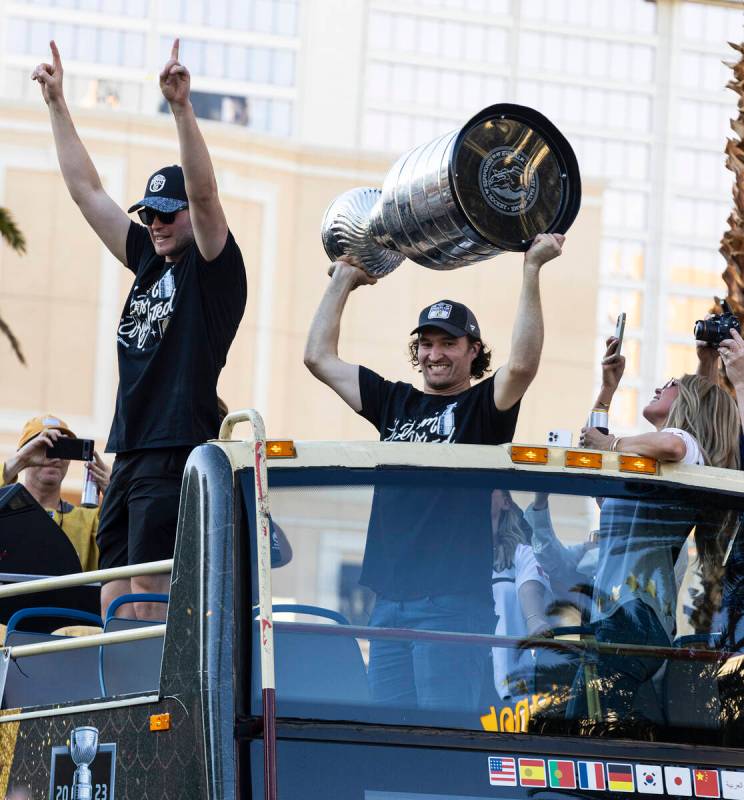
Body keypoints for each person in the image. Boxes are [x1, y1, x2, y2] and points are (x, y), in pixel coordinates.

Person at [304, 233, 564, 715]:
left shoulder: (482, 407)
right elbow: (318, 357)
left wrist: (531, 271)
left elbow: (524, 364)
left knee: (443, 734)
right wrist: (343, 281)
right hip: (387, 606)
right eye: (425, 343)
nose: (434, 353)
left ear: (473, 352)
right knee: (390, 741)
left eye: (449, 342)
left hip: (452, 605)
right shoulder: (393, 400)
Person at [32, 40, 247, 621]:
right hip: (127, 452)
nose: (153, 223)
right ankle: (115, 706)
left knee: (149, 601)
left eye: (165, 212)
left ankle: (159, 710)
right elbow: (88, 192)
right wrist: (57, 103)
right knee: (113, 593)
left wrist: (180, 107)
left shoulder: (212, 269)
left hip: (173, 450)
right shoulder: (149, 258)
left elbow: (204, 194)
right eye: (147, 212)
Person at [578, 341, 740, 720]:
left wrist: (613, 442)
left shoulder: (685, 443)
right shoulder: (648, 470)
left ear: (686, 404)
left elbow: (673, 444)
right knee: (598, 720)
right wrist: (606, 392)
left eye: (670, 384)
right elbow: (595, 460)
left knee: (583, 723)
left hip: (634, 617)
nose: (658, 386)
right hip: (620, 617)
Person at [0, 414, 110, 571]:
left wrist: (115, 493)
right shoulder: (5, 509)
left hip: (69, 596)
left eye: (63, 447)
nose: (55, 456)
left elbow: (126, 545)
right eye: (45, 446)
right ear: (25, 451)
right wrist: (19, 461)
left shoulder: (89, 521)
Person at [489, 490, 552, 704]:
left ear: (506, 502)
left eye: (490, 488)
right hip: (460, 670)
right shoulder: (454, 555)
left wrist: (535, 619)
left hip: (508, 687)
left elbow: (530, 586)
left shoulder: (522, 554)